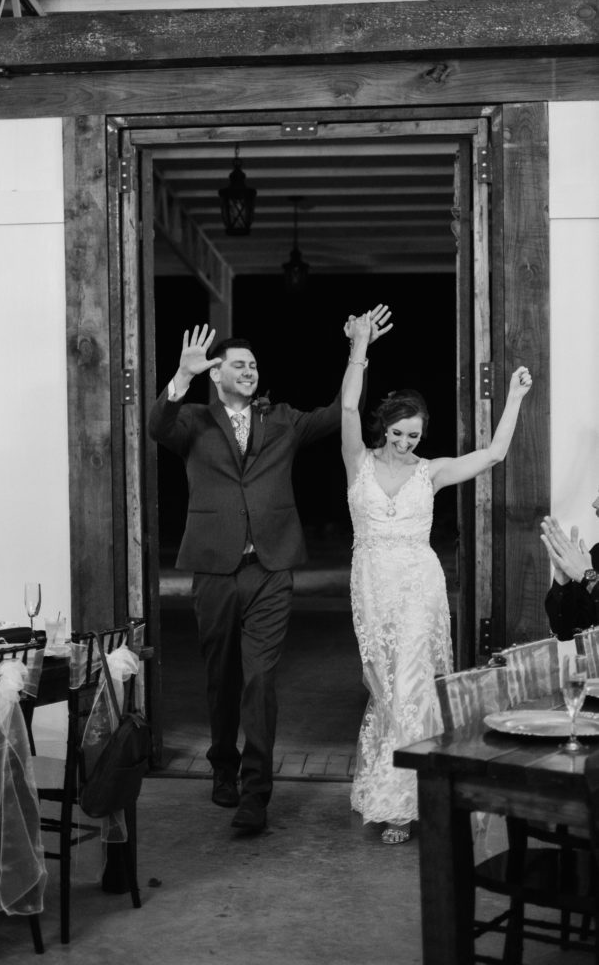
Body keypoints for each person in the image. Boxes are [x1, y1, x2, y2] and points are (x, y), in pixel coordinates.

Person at [147, 318, 375, 834]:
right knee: (221, 678)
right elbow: (157, 426)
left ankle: (256, 793)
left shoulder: (283, 420)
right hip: (213, 569)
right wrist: (180, 378)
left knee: (259, 679)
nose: (249, 371)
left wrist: (358, 351)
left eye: (253, 365)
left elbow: (339, 412)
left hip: (270, 570)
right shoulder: (194, 420)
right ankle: (222, 766)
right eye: (239, 365)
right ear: (216, 374)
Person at [341, 310, 532, 844]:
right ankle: (397, 784)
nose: (406, 442)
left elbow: (494, 454)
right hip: (371, 585)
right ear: (384, 428)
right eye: (399, 433)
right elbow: (349, 405)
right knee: (385, 687)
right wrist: (360, 348)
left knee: (412, 686)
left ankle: (405, 804)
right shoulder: (357, 461)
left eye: (415, 435)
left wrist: (514, 398)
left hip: (419, 587)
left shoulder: (432, 471)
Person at [541, 490, 599, 641]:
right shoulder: (597, 554)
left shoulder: (589, 572)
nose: (595, 504)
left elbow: (589, 578)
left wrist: (589, 578)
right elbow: (565, 631)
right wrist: (563, 579)